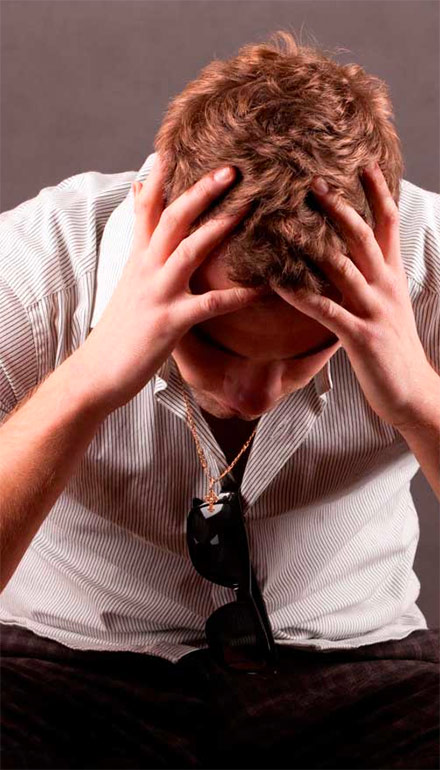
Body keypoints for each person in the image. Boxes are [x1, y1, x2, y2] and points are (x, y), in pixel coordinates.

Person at [0, 29, 439, 770]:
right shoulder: (34, 265)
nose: (254, 393)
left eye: (307, 351)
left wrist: (419, 398)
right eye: (213, 341)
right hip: (58, 666)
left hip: (358, 671)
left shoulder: (431, 267)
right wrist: (89, 379)